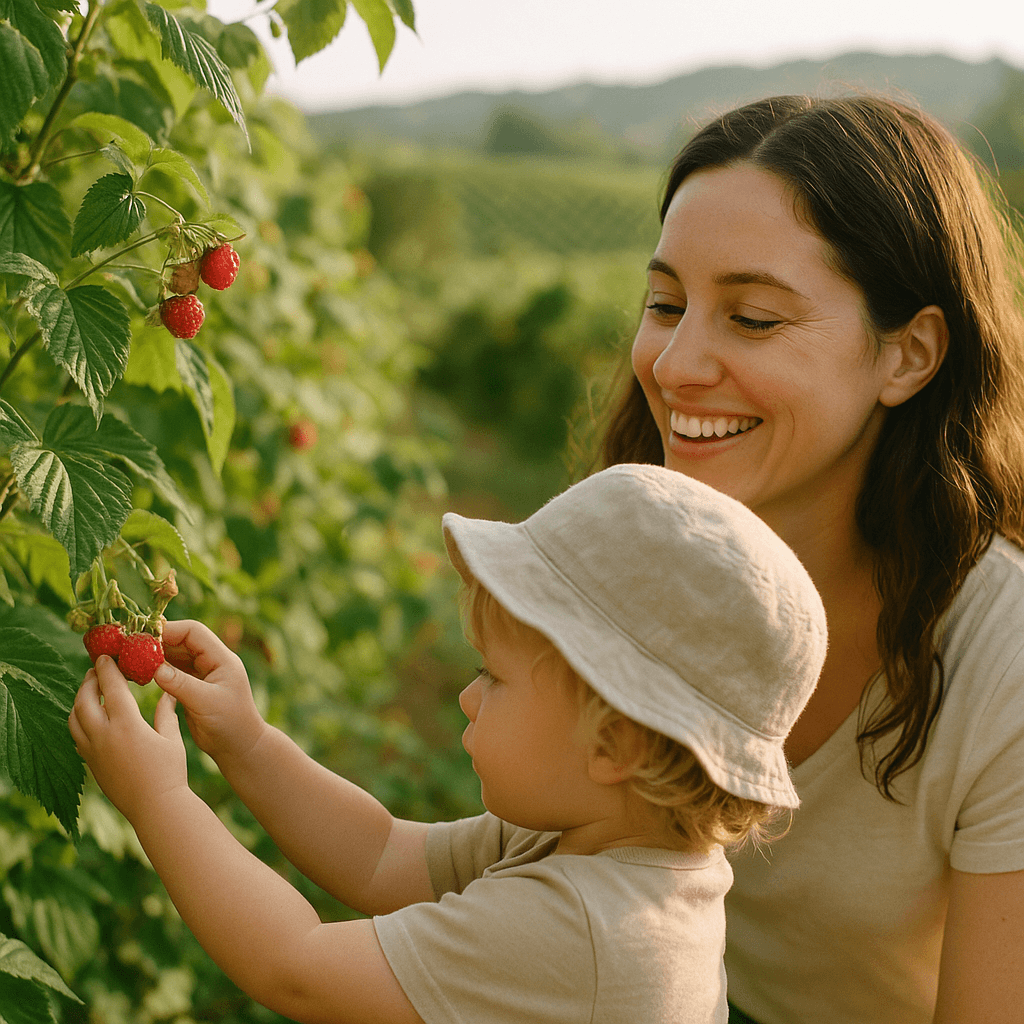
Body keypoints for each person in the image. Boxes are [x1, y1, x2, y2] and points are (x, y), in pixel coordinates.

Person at [69, 463, 827, 1024]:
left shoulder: (588, 933)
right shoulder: (605, 844)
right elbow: (380, 855)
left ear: (614, 742)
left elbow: (293, 967)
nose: (467, 695)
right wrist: (248, 743)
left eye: (491, 676)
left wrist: (159, 798)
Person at [600, 92, 1024, 1024]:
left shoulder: (1008, 664)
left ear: (907, 355)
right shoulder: (624, 557)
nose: (674, 365)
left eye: (752, 318)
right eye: (665, 303)